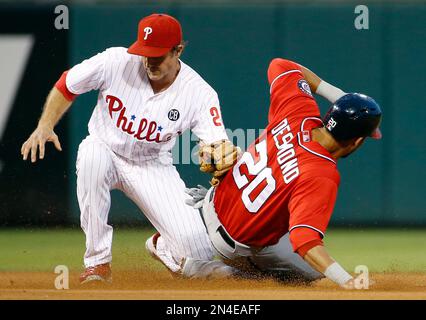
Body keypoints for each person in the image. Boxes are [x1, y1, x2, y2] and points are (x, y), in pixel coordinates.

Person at [21, 13, 239, 284]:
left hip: (152, 164)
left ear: (178, 50)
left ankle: (162, 246)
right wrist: (45, 125)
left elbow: (215, 143)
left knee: (200, 252)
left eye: (158, 55)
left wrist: (215, 154)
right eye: (145, 53)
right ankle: (97, 263)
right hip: (105, 148)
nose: (149, 61)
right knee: (92, 158)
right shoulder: (116, 60)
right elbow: (67, 84)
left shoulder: (200, 93)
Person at [185, 58, 382, 289]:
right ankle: (218, 272)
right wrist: (346, 280)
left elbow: (280, 65)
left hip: (214, 201)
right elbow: (305, 241)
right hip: (233, 243)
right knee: (308, 276)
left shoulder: (300, 112)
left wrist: (337, 94)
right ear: (358, 141)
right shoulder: (321, 174)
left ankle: (196, 231)